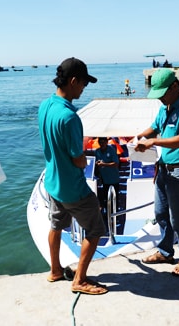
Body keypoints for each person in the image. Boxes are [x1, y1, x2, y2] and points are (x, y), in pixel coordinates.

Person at [38, 57, 108, 295]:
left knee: (56, 225)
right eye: (83, 84)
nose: (83, 89)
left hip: (53, 182)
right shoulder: (70, 117)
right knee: (96, 228)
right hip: (72, 187)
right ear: (73, 81)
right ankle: (79, 279)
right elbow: (77, 159)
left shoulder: (45, 106)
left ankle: (55, 270)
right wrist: (87, 158)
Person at [135, 68, 179, 276]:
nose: (161, 98)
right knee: (161, 214)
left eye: (163, 93)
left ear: (175, 86)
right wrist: (138, 136)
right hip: (164, 169)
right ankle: (165, 251)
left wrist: (153, 141)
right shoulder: (165, 107)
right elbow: (154, 128)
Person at [95, 137, 122, 231]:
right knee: (105, 199)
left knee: (115, 198)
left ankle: (116, 216)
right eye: (100, 142)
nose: (102, 144)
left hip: (113, 179)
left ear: (106, 142)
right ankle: (107, 217)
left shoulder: (111, 150)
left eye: (103, 142)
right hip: (104, 179)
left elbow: (115, 163)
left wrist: (104, 165)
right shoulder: (97, 151)